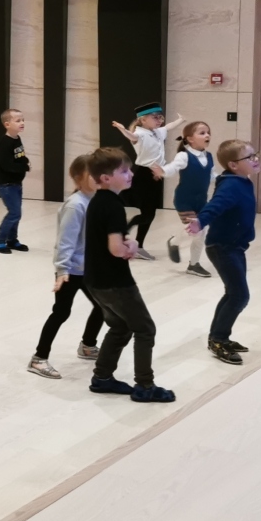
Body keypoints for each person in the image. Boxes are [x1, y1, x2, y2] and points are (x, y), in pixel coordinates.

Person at [84, 148, 175, 403]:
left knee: (120, 326)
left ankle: (102, 378)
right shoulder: (114, 206)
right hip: (116, 282)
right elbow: (116, 249)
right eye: (124, 171)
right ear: (105, 178)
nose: (131, 174)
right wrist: (131, 247)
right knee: (145, 329)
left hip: (95, 280)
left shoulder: (97, 202)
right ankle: (145, 385)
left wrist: (128, 242)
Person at [27, 155, 106, 379]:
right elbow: (65, 242)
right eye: (92, 173)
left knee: (103, 306)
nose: (98, 177)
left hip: (88, 269)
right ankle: (39, 358)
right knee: (61, 313)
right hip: (71, 271)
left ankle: (88, 345)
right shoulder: (75, 205)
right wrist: (62, 270)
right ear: (78, 178)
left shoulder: (95, 200)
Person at [185, 140, 260, 364]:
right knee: (239, 295)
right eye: (250, 157)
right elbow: (215, 205)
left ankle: (219, 337)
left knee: (233, 293)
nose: (255, 159)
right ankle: (218, 339)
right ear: (233, 165)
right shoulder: (231, 186)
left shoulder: (242, 181)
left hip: (235, 246)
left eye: (255, 154)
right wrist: (200, 221)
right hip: (223, 247)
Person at [110, 102, 182, 259]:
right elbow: (132, 137)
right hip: (144, 175)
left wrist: (180, 120)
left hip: (156, 174)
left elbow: (168, 127)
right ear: (143, 120)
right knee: (147, 214)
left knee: (150, 213)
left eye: (160, 117)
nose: (159, 120)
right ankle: (124, 230)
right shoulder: (140, 133)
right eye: (155, 117)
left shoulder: (157, 132)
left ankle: (139, 244)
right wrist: (122, 129)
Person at [162, 121, 215, 277]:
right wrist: (162, 171)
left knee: (201, 232)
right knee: (197, 231)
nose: (207, 135)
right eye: (202, 133)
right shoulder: (184, 155)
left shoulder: (209, 156)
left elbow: (212, 175)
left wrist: (228, 180)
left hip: (201, 201)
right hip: (184, 200)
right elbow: (172, 168)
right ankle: (175, 242)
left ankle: (193, 265)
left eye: (208, 132)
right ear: (190, 139)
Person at [0, 108, 30, 253]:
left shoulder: (17, 139)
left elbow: (20, 156)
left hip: (16, 183)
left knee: (16, 213)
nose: (22, 123)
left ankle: (12, 240)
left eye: (23, 120)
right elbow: (6, 165)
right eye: (18, 120)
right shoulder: (5, 143)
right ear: (7, 124)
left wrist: (25, 161)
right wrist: (24, 167)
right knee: (14, 213)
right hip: (7, 185)